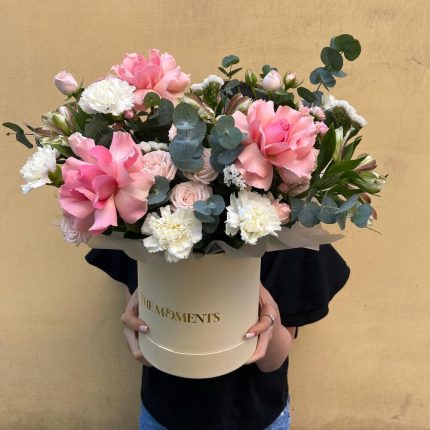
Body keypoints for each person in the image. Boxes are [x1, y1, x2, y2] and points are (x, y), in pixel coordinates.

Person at [86, 244, 350, 429]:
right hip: (166, 414)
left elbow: (271, 362)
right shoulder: (147, 223)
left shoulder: (289, 237)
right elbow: (143, 346)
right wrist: (142, 333)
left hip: (256, 416)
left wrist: (265, 312)